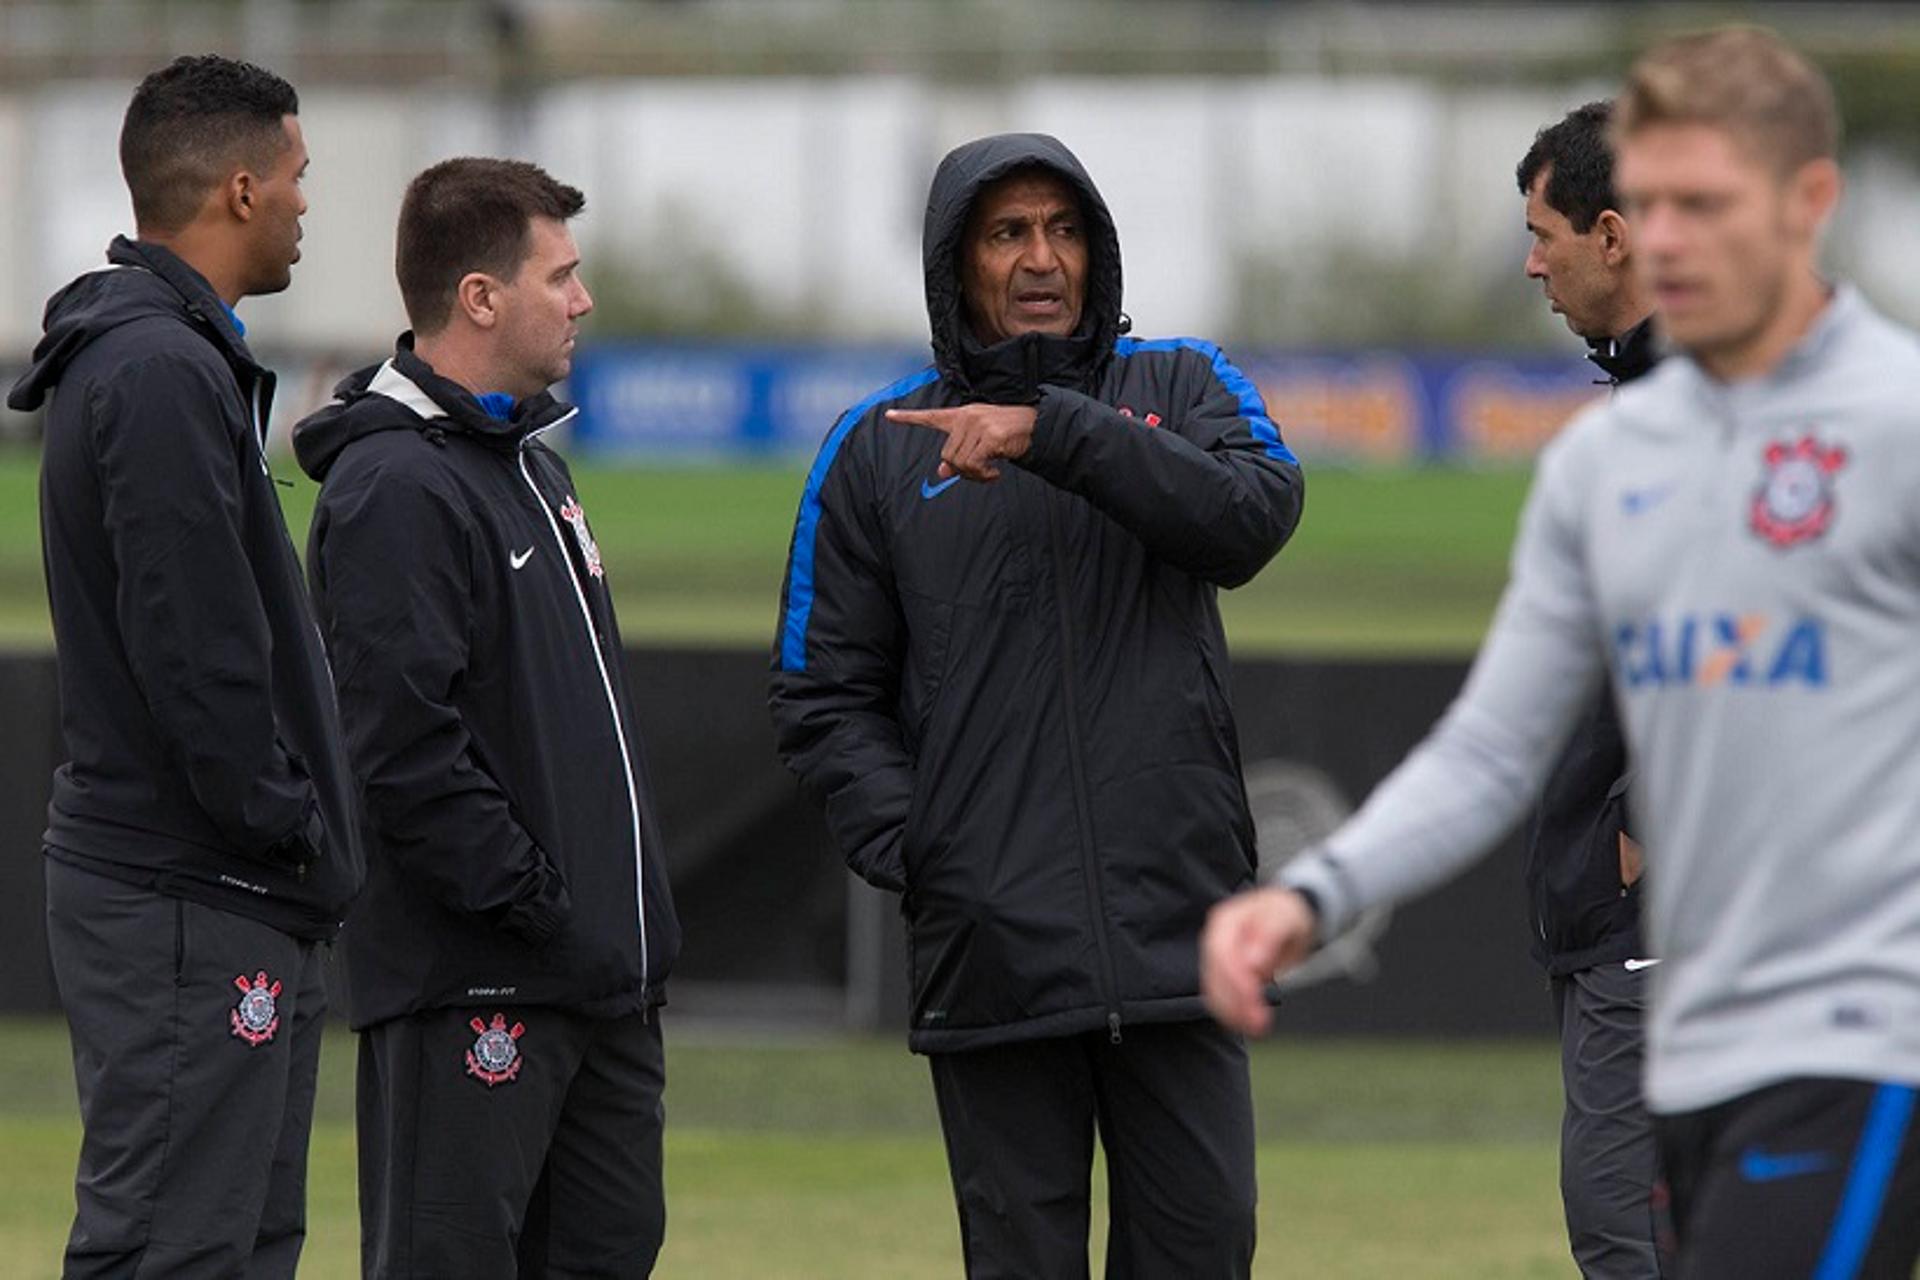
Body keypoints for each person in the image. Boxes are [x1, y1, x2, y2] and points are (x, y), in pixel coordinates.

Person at [1205, 27, 1920, 1278]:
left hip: (1862, 1031)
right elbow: (1492, 744)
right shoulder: (1610, 462)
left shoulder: (1895, 422)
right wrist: (1317, 890)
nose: (1677, 239)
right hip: (1688, 1037)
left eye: (1711, 202)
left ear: (1804, 202)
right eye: (1657, 203)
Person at [770, 132, 1304, 1278]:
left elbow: (1254, 515)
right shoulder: (873, 452)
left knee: (1208, 1249)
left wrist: (1059, 430)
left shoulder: (1182, 381)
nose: (1039, 258)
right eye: (1006, 232)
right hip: (995, 952)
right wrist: (935, 850)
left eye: (1062, 230)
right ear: (953, 263)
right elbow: (822, 694)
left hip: (1182, 942)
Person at [6, 55, 361, 1277]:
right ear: (245, 189)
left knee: (235, 1242)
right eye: (303, 178)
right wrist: (285, 818)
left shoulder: (172, 358)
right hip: (188, 886)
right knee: (170, 1247)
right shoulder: (157, 370)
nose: (312, 203)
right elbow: (198, 654)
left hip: (223, 887)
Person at [293, 158, 681, 1277]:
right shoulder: (395, 488)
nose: (582, 298)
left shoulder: (532, 469)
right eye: (560, 274)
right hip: (481, 988)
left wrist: (617, 932)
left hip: (600, 988)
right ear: (478, 296)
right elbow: (402, 750)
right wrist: (539, 904)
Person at [1516, 100, 1664, 1278]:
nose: (1531, 262)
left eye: (1543, 231)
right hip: (1617, 916)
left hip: (1668, 919)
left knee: (1635, 1233)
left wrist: (1647, 832)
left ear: (1611, 233)